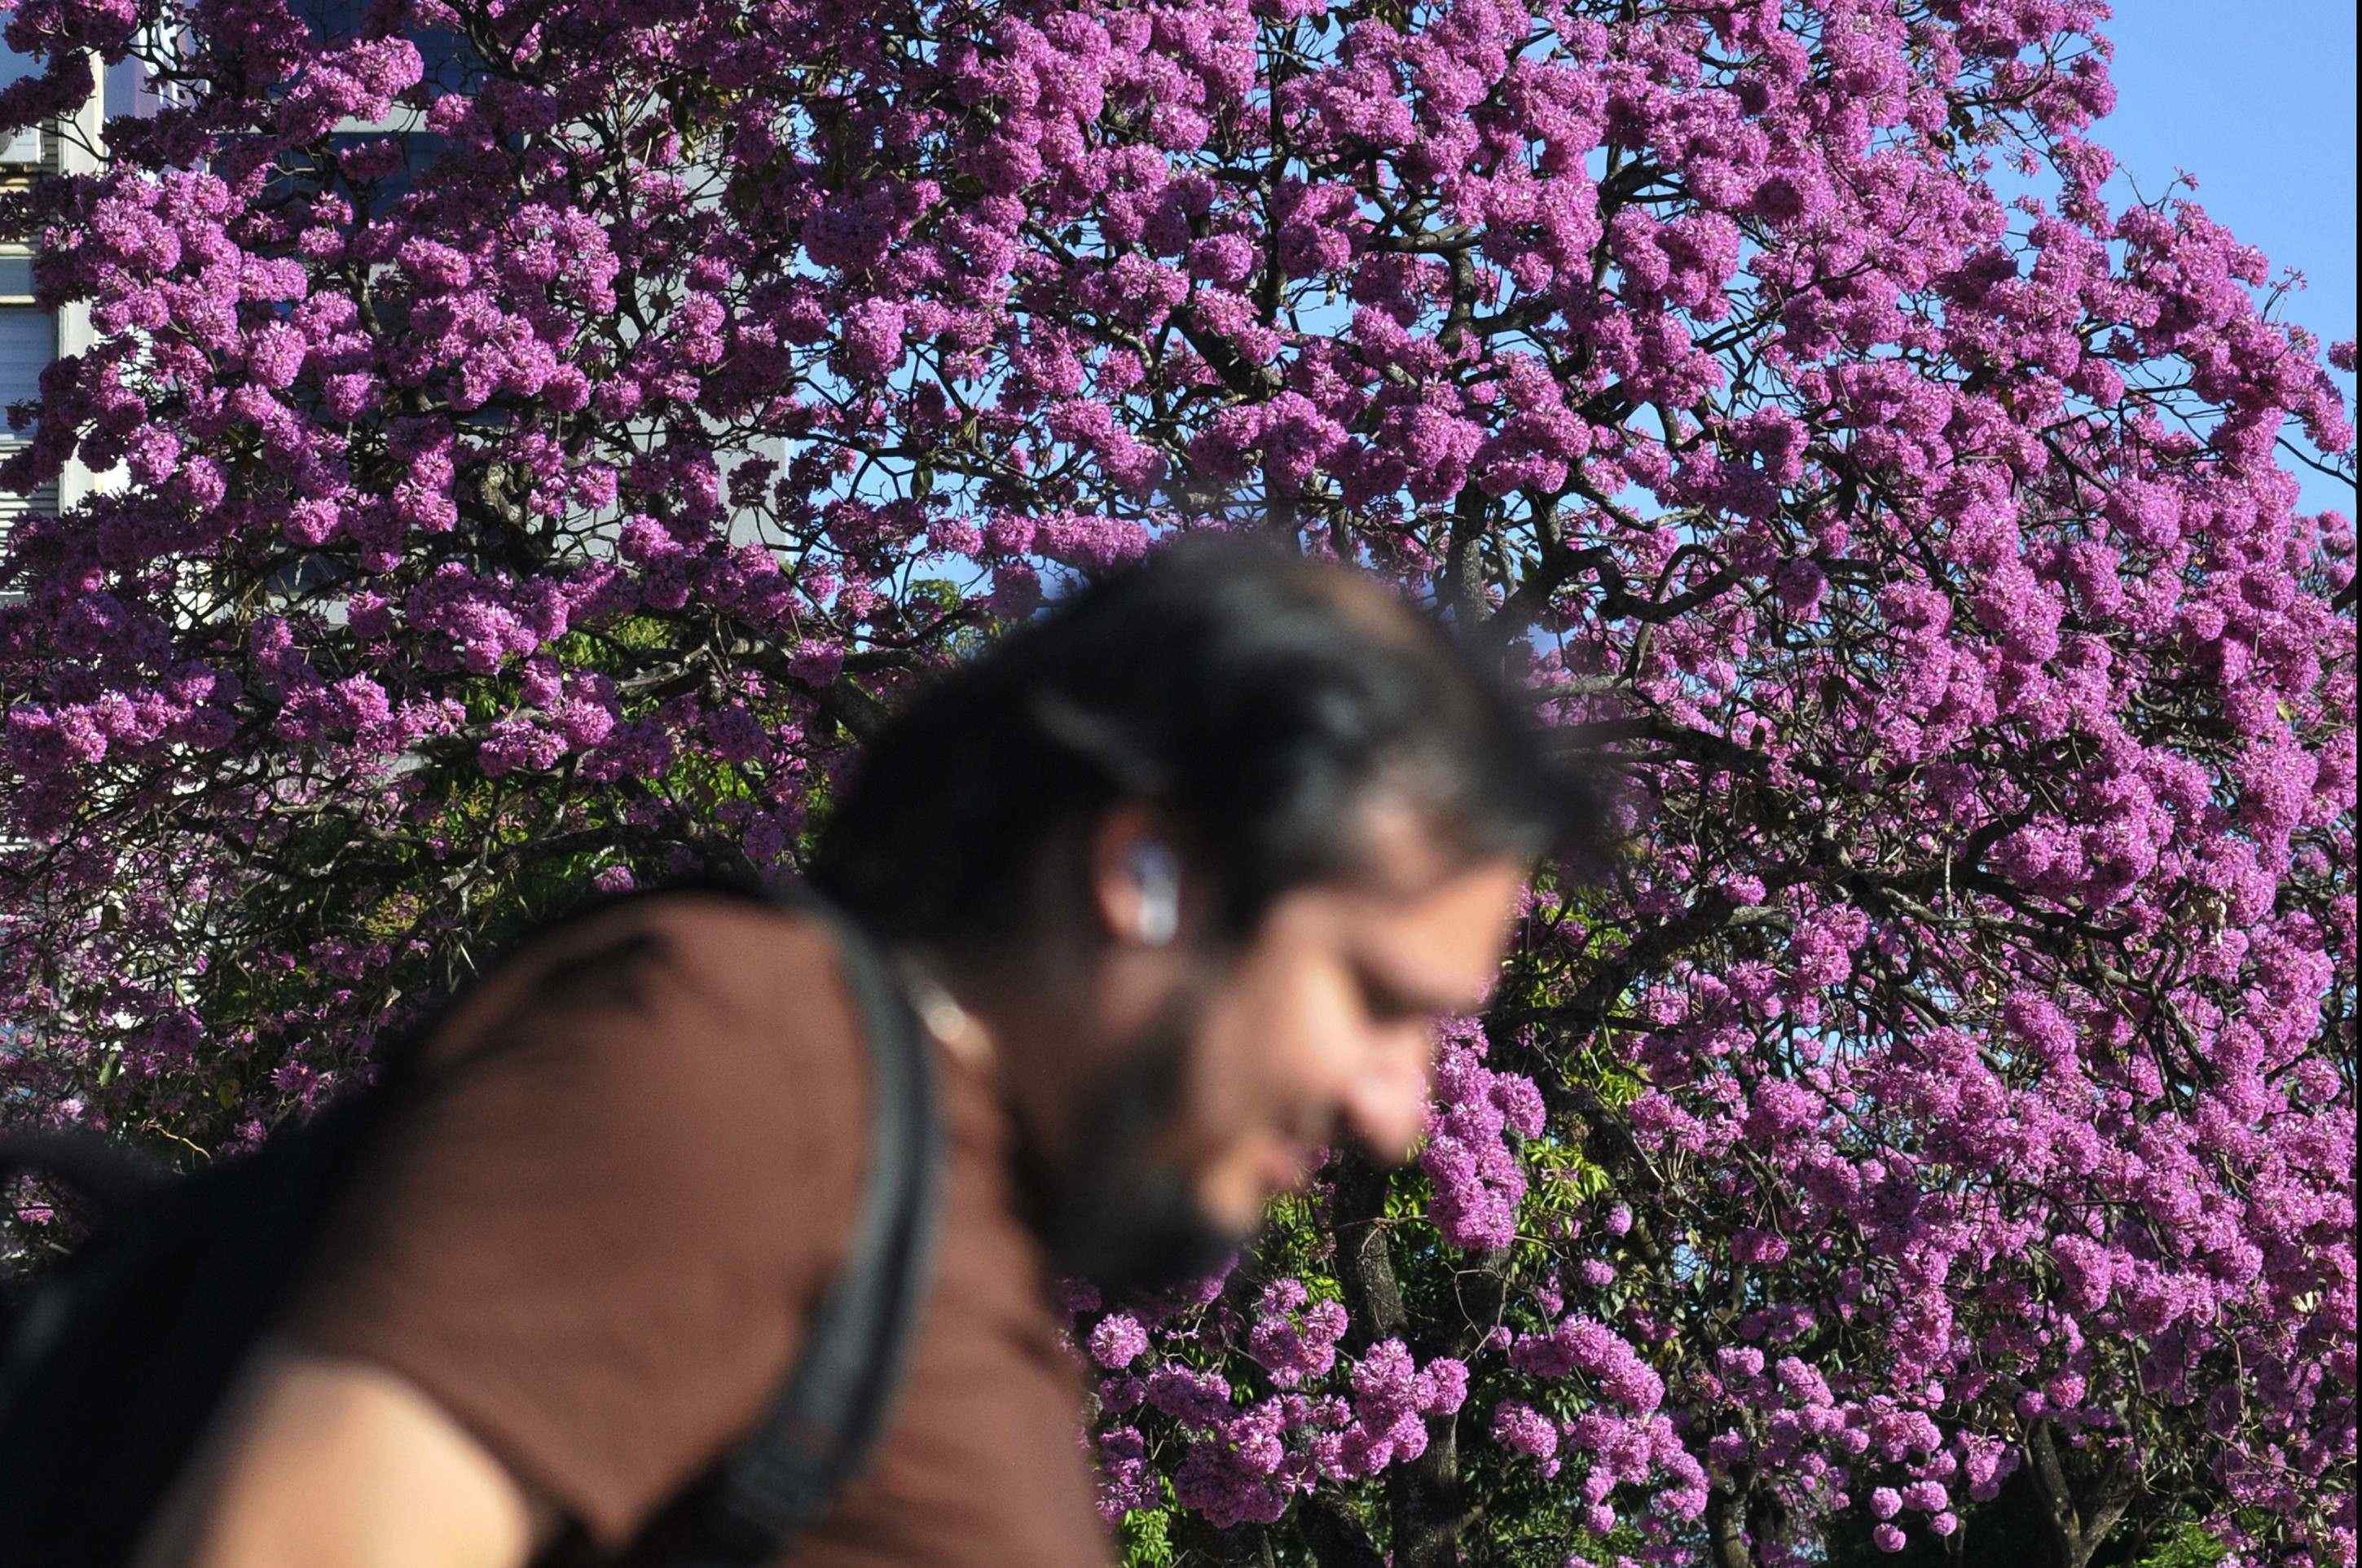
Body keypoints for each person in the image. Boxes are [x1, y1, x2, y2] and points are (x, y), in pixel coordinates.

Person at [134, 538, 1605, 1566]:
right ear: (1143, 871)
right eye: (1373, 996)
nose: (1402, 1113)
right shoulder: (742, 1060)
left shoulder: (934, 1216)